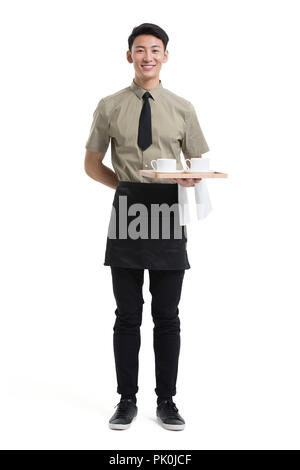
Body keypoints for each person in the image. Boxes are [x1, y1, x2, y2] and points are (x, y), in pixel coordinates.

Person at [84, 23, 210, 431]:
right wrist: (124, 187)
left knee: (168, 314)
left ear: (166, 56)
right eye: (140, 49)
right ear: (129, 56)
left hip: (168, 212)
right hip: (127, 211)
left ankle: (167, 401)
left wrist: (192, 178)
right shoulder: (109, 105)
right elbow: (91, 163)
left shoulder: (183, 107)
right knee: (126, 314)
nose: (148, 56)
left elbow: (199, 164)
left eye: (155, 49)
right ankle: (125, 400)